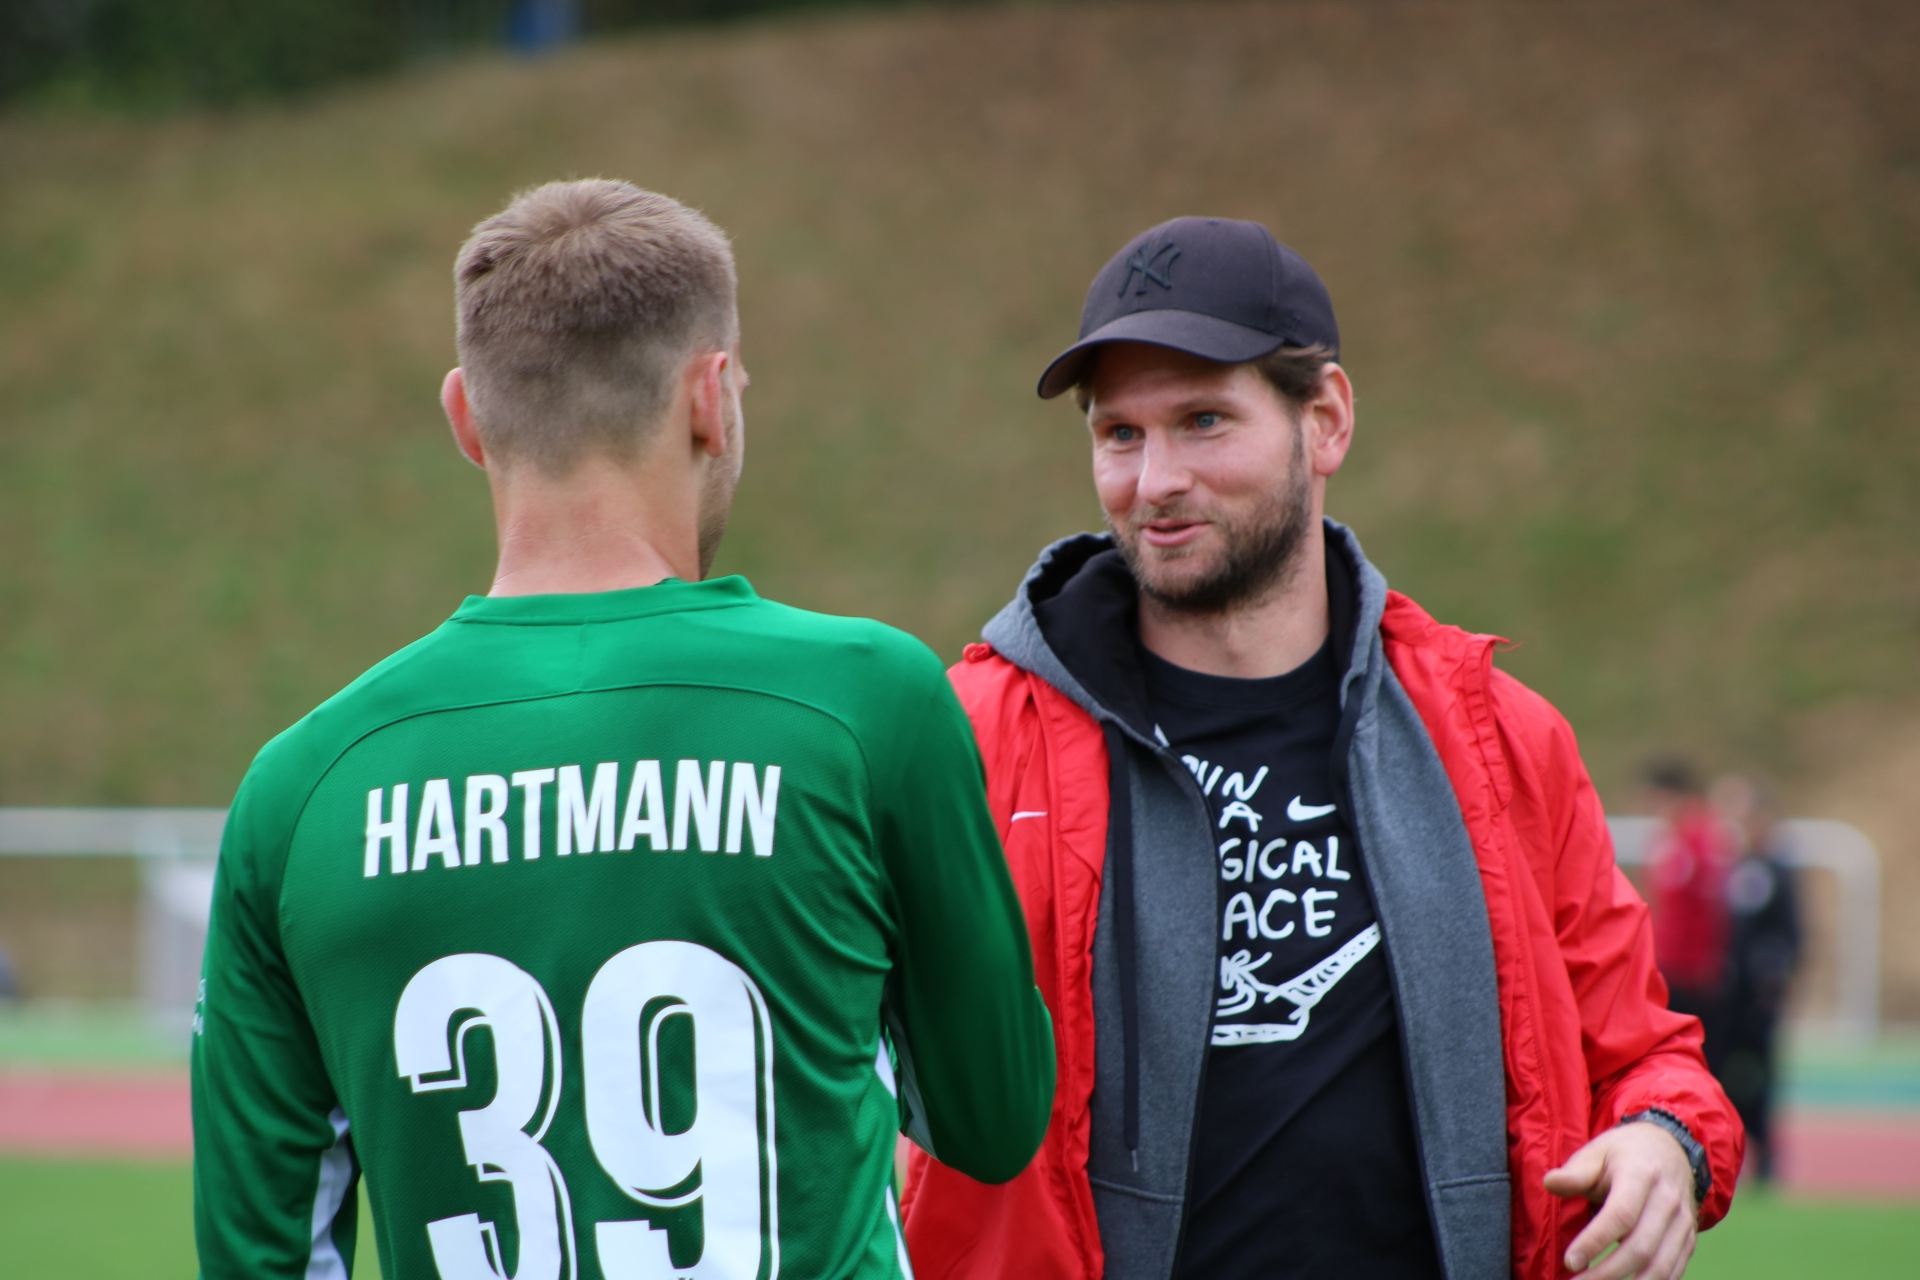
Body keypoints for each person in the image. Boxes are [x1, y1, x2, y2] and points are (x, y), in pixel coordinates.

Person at [191, 179, 1055, 1280]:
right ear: (711, 397)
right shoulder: (867, 698)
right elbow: (991, 1118)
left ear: (465, 417)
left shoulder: (300, 786)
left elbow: (260, 1253)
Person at [901, 218, 1742, 1280]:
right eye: (1119, 434)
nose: (1154, 479)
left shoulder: (1498, 737)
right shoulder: (970, 737)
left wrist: (1666, 1139)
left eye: (1204, 421)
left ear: (1327, 420)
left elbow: (1643, 1051)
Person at [1712, 775, 1802, 1181]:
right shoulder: (1731, 868)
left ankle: (1765, 1157)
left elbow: (1793, 933)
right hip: (1727, 995)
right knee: (1720, 1070)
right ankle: (1724, 1152)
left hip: (1760, 998)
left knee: (1759, 1075)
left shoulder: (1778, 871)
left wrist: (1774, 981)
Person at [1643, 758, 1738, 1074]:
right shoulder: (1671, 837)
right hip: (1670, 968)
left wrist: (1708, 963)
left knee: (1698, 1061)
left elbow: (1714, 906)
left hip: (1694, 974)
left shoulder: (1700, 837)